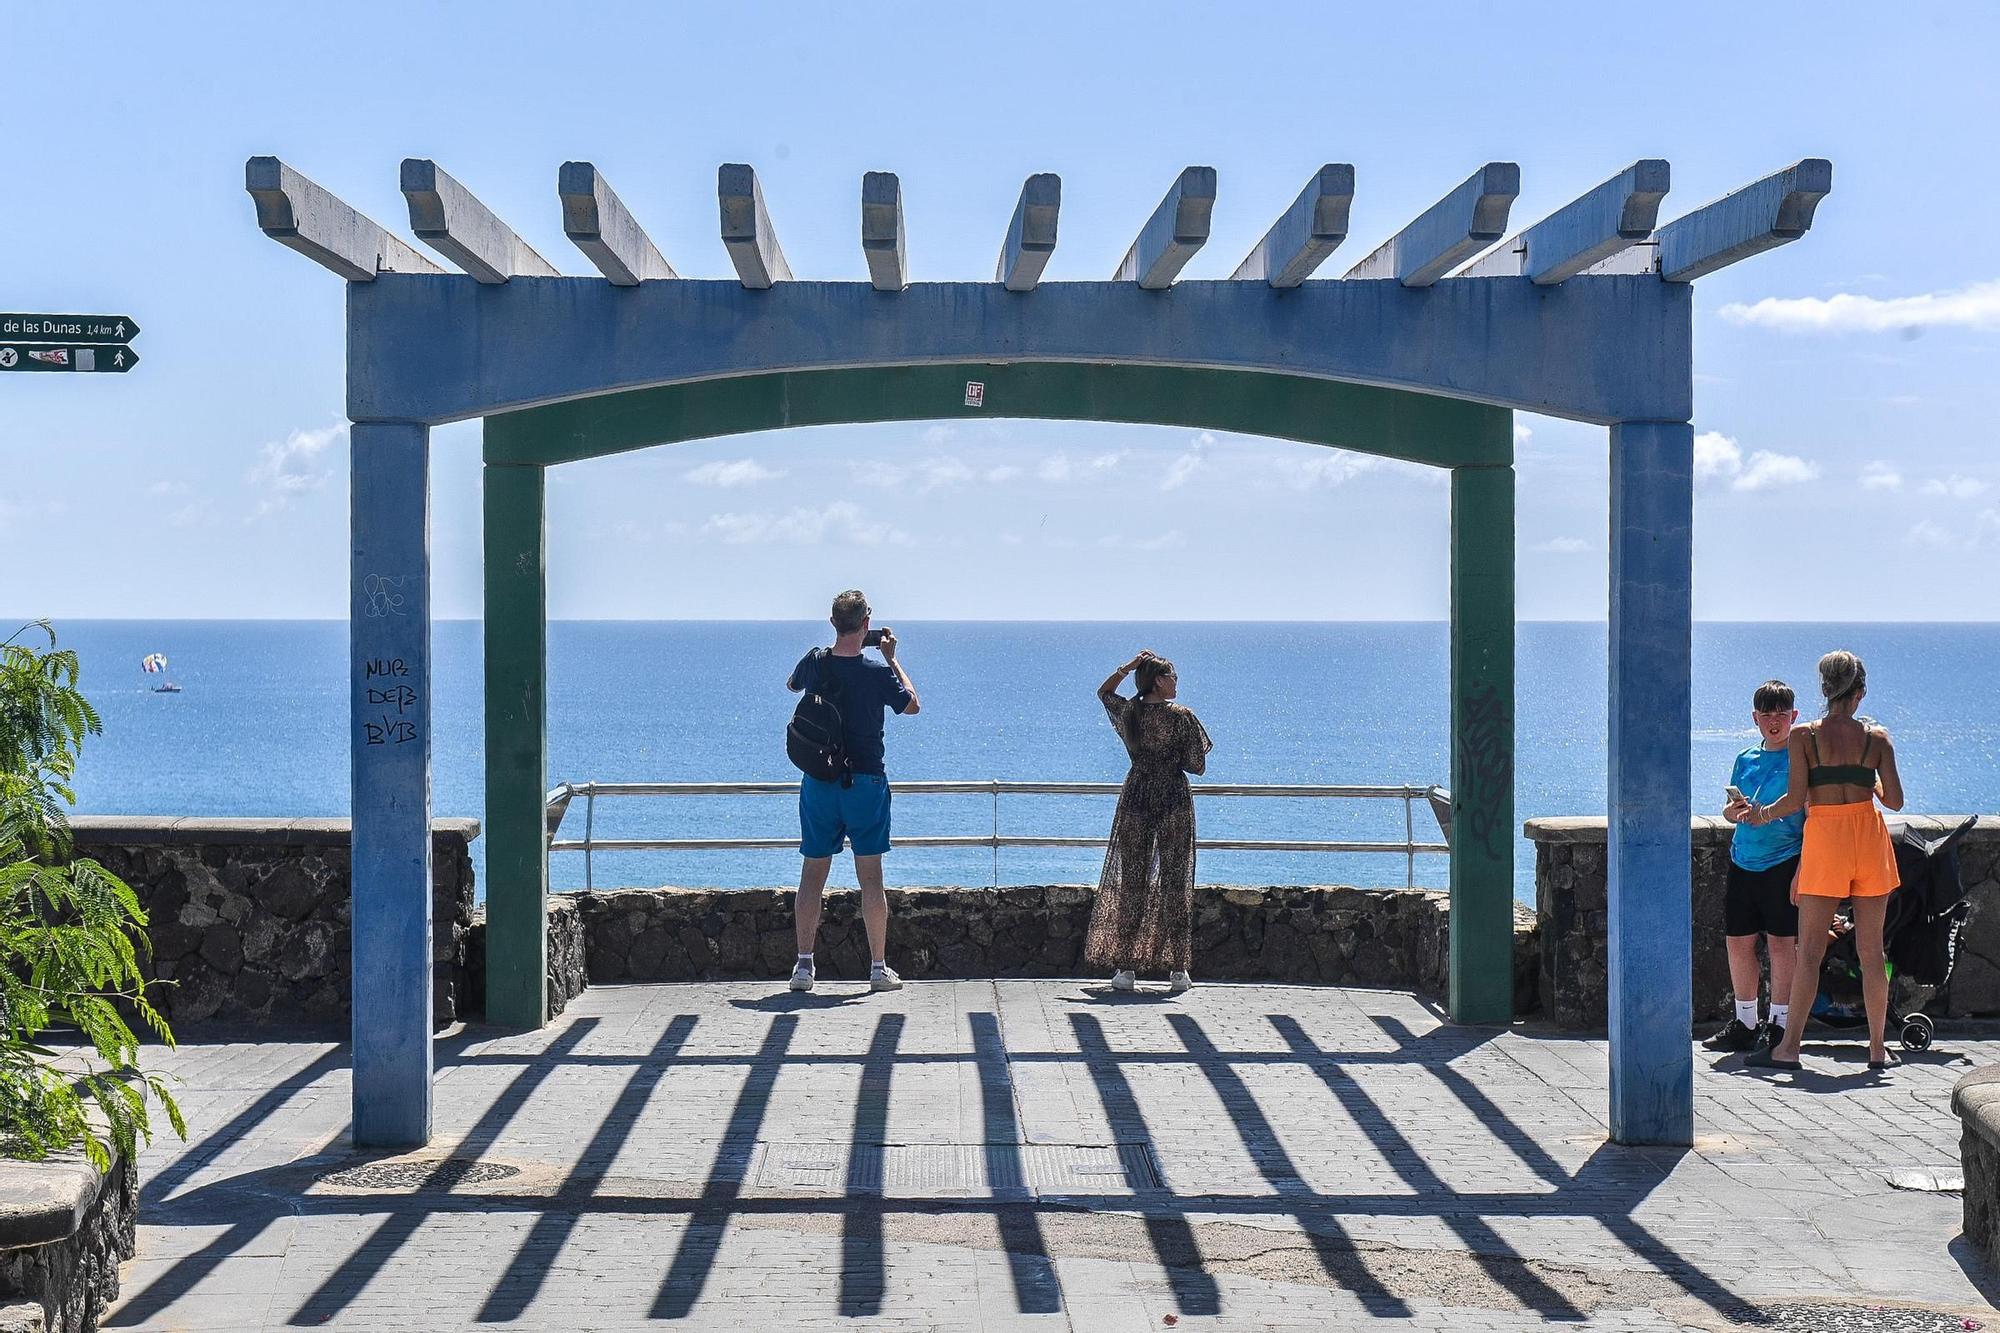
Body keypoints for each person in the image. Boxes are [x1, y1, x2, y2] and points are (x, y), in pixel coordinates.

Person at [1746, 650, 1904, 1071]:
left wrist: (1760, 814)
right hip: (1868, 841)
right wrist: (1865, 781)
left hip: (1825, 842)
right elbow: (1896, 801)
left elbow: (1795, 800)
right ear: (1860, 692)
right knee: (1872, 953)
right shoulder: (1877, 739)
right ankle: (1876, 1049)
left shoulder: (1805, 738)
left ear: (1824, 690)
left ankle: (1789, 1048)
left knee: (1810, 951)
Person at [784, 590, 920, 993]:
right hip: (865, 783)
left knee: (812, 875)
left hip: (820, 781)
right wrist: (892, 657)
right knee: (871, 879)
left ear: (832, 623)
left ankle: (804, 968)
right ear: (866, 625)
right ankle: (878, 969)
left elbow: (792, 686)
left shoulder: (815, 662)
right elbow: (912, 704)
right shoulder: (878, 672)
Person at [1084, 650, 1212, 993]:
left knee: (1132, 880)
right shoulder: (1182, 717)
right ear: (1159, 680)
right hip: (1172, 798)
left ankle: (1125, 969)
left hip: (1137, 796)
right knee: (1175, 881)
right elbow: (1197, 763)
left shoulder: (1132, 713)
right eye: (1172, 677)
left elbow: (1104, 693)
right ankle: (1177, 970)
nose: (1176, 683)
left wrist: (1126, 667)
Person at [1709, 681, 1804, 1053]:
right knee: (1738, 943)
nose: (1774, 720)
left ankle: (1779, 1024)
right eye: (1766, 713)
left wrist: (1801, 871)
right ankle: (1746, 1021)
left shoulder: (1801, 759)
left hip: (1783, 862)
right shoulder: (1745, 758)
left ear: (1794, 716)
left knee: (1782, 945)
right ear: (1755, 718)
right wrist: (1730, 812)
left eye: (1781, 713)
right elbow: (1729, 809)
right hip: (1742, 861)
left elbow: (1810, 816)